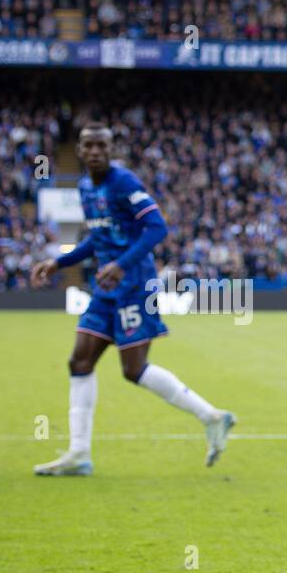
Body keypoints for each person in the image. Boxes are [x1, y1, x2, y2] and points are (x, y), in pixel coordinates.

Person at [30, 123, 234, 476]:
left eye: (101, 146)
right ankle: (79, 453)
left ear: (110, 150)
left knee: (133, 369)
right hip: (106, 289)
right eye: (88, 146)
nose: (94, 151)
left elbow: (157, 227)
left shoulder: (123, 182)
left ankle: (211, 416)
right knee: (79, 361)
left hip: (136, 286)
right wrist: (59, 262)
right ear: (79, 150)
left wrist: (122, 265)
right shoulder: (83, 187)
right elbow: (99, 237)